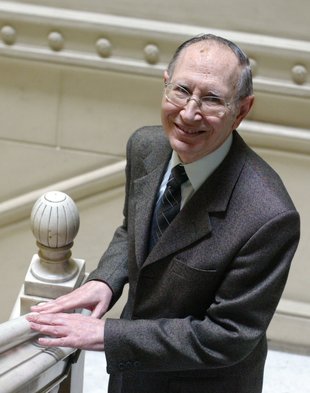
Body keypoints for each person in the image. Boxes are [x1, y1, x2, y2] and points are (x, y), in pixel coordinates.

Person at [27, 34, 300, 393]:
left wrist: (108, 334)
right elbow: (133, 232)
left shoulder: (270, 215)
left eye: (213, 99)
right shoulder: (145, 146)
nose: (189, 113)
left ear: (242, 111)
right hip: (131, 377)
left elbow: (228, 335)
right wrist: (105, 280)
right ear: (165, 85)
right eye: (182, 90)